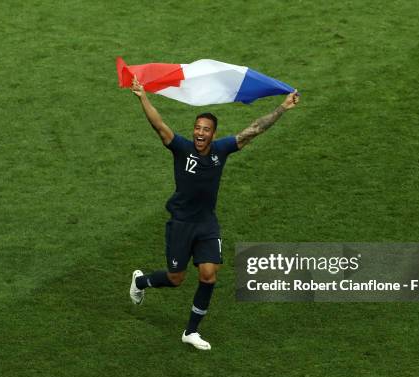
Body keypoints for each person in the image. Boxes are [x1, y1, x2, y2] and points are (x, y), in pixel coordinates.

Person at [128, 75, 300, 350]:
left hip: (206, 223)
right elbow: (159, 126)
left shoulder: (221, 151)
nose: (199, 133)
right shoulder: (182, 149)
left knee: (209, 275)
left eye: (205, 129)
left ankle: (191, 332)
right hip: (181, 223)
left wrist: (282, 108)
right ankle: (141, 281)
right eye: (197, 128)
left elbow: (253, 130)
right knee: (176, 279)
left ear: (213, 134)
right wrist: (143, 96)